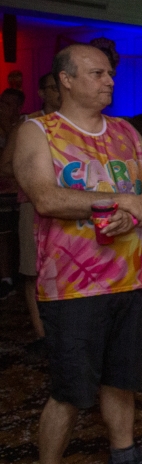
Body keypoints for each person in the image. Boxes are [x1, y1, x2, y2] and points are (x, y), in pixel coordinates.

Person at [14, 44, 142, 464]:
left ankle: (124, 455)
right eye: (97, 73)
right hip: (73, 286)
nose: (109, 81)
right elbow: (46, 197)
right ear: (66, 79)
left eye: (109, 74)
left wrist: (139, 208)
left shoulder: (125, 130)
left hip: (132, 279)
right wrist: (119, 201)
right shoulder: (38, 131)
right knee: (70, 389)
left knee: (122, 378)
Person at [0, 73, 61, 352]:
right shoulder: (29, 124)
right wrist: (36, 175)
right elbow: (5, 165)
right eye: (53, 88)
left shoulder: (73, 123)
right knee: (32, 268)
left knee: (64, 267)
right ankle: (42, 335)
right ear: (42, 93)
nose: (59, 93)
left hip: (69, 204)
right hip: (33, 204)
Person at [0, 87, 26, 298]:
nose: (4, 108)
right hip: (3, 191)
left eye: (9, 104)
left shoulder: (26, 126)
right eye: (2, 103)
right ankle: (6, 278)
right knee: (4, 235)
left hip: (23, 190)